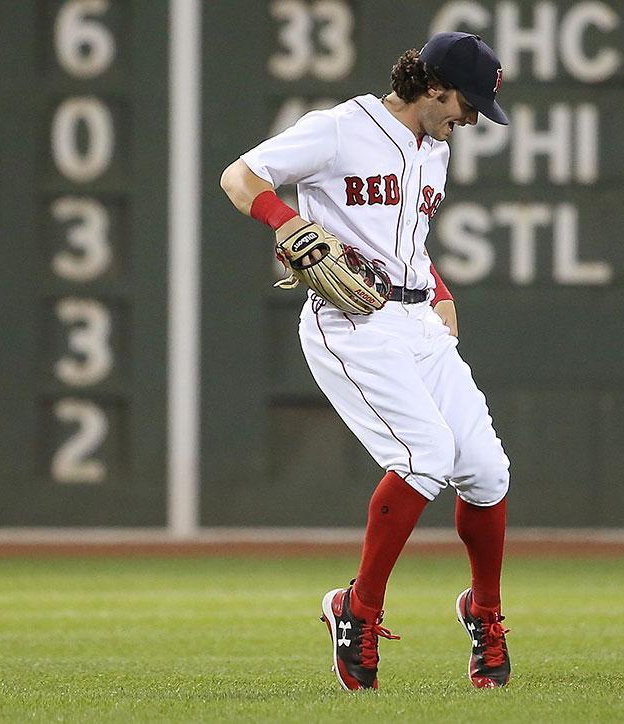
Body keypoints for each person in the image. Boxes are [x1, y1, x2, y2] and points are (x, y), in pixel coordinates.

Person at [219, 32, 513, 691]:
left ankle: (485, 612)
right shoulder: (339, 130)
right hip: (352, 322)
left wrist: (437, 291)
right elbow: (239, 176)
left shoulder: (433, 151)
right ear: (434, 86)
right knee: (425, 456)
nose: (470, 119)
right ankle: (357, 608)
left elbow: (407, 245)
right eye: (467, 104)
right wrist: (282, 220)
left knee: (487, 471)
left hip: (417, 319)